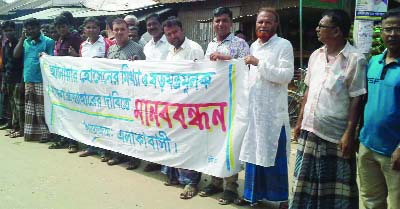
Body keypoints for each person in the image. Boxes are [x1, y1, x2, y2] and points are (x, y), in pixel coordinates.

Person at [289, 9, 366, 209]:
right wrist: (299, 123)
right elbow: (308, 92)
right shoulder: (316, 55)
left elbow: (357, 99)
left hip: (334, 135)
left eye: (321, 26)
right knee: (305, 184)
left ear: (337, 31)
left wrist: (350, 134)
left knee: (334, 190)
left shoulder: (355, 59)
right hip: (310, 129)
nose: (317, 29)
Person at [237, 8, 293, 209]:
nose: (263, 25)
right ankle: (254, 196)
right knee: (254, 155)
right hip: (254, 113)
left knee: (273, 157)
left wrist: (258, 63)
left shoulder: (283, 45)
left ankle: (280, 200)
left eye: (268, 22)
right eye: (260, 22)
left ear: (275, 25)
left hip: (273, 116)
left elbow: (286, 75)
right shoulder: (254, 46)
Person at [198, 7, 249, 205]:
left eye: (224, 20)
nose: (220, 24)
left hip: (232, 103)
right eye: (217, 20)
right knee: (214, 142)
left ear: (231, 22)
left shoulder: (240, 43)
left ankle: (231, 187)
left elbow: (247, 67)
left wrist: (227, 59)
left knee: (230, 144)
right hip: (213, 103)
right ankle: (215, 181)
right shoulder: (210, 44)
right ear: (213, 22)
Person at [358, 8, 400, 209]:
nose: (392, 34)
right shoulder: (374, 62)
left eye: (398, 29)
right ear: (381, 32)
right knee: (370, 200)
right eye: (388, 29)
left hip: (394, 150)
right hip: (367, 144)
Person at [162, 16, 204, 200]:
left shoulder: (194, 49)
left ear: (182, 30)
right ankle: (176, 176)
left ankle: (191, 182)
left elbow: (200, 79)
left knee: (189, 143)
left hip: (190, 104)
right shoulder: (169, 51)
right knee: (175, 140)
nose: (172, 36)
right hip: (173, 103)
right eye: (168, 34)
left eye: (175, 32)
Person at [107, 18, 144, 169]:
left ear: (128, 31)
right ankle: (119, 155)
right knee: (118, 125)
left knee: (132, 128)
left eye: (122, 29)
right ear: (112, 31)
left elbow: (144, 72)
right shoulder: (110, 49)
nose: (119, 32)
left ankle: (134, 158)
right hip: (116, 96)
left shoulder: (137, 48)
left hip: (132, 96)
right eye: (116, 29)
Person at [13, 18, 55, 142]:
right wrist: (21, 38)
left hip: (42, 79)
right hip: (28, 78)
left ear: (39, 27)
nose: (31, 31)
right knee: (30, 108)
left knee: (42, 108)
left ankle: (46, 134)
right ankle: (32, 133)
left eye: (33, 28)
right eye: (28, 29)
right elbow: (16, 55)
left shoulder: (48, 41)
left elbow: (52, 60)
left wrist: (44, 56)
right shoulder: (26, 42)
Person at [77, 17, 113, 161]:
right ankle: (91, 146)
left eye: (94, 27)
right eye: (88, 27)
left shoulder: (107, 43)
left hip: (102, 88)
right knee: (89, 117)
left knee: (102, 119)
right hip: (87, 88)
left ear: (99, 29)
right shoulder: (82, 46)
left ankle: (104, 149)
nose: (91, 30)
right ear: (84, 30)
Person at [48, 15, 82, 153]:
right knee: (62, 112)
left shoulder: (76, 38)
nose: (61, 29)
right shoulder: (59, 39)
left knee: (72, 112)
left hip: (72, 82)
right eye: (58, 27)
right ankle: (63, 138)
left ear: (68, 25)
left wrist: (75, 57)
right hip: (61, 82)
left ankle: (74, 142)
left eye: (63, 26)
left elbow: (82, 58)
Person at [141, 13, 169, 173]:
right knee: (154, 128)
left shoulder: (169, 43)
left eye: (154, 24)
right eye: (148, 25)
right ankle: (156, 160)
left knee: (168, 129)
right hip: (152, 93)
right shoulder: (147, 46)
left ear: (161, 24)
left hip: (168, 93)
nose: (151, 27)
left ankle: (167, 163)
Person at [1, 20, 25, 138]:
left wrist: (22, 82)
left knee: (19, 105)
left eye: (10, 30)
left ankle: (21, 129)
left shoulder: (20, 43)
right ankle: (14, 126)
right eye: (6, 31)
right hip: (8, 79)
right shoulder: (5, 45)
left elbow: (23, 64)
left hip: (18, 79)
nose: (8, 33)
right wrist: (3, 82)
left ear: (15, 31)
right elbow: (5, 66)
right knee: (11, 104)